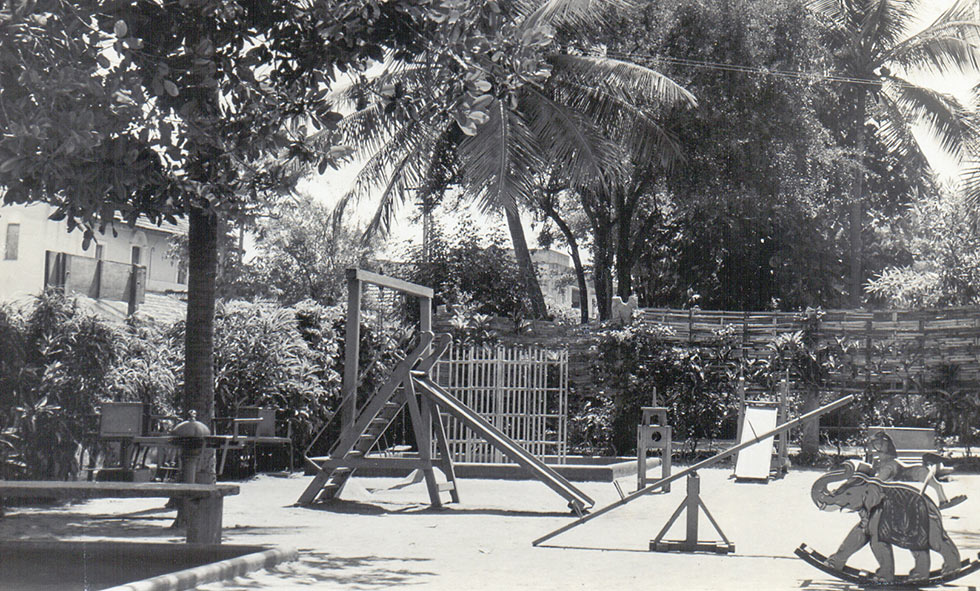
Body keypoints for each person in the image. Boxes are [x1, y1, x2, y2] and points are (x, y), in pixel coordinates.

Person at [866, 431, 966, 510]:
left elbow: (880, 479)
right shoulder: (889, 462)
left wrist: (870, 480)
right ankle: (943, 500)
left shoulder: (890, 465)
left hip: (916, 471)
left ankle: (943, 500)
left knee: (936, 485)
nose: (878, 456)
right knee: (936, 485)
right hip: (917, 469)